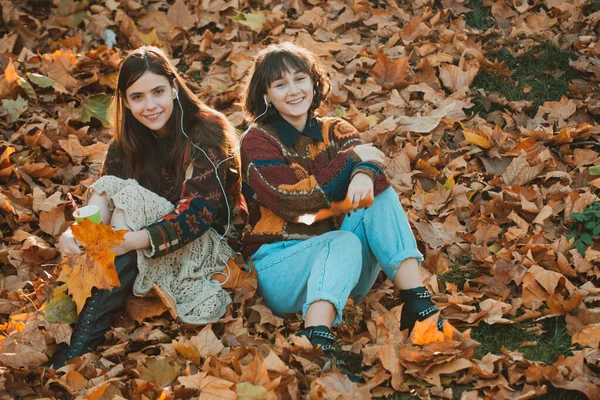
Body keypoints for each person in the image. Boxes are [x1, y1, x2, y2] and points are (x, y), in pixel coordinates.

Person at [239, 43, 442, 377]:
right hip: (280, 267)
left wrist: (363, 173)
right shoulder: (257, 140)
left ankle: (419, 305)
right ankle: (317, 342)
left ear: (313, 82)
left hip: (341, 271)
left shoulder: (336, 129)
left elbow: (373, 164)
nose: (293, 91)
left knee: (380, 195)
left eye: (299, 78)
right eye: (280, 84)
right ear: (265, 94)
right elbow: (292, 200)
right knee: (341, 240)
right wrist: (353, 162)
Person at [50, 46, 246, 369]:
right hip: (142, 237)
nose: (150, 105)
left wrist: (129, 240)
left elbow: (197, 215)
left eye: (157, 92)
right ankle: (71, 324)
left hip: (206, 245)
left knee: (124, 201)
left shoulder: (205, 131)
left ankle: (81, 344)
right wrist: (76, 234)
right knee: (113, 193)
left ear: (173, 87)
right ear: (126, 102)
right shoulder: (126, 141)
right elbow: (106, 193)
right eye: (138, 97)